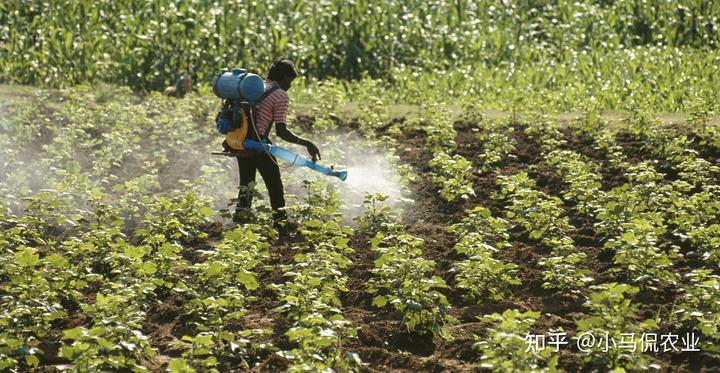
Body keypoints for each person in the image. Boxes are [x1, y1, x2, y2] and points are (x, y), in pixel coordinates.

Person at [224, 59, 320, 232]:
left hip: (241, 143)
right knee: (275, 185)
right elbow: (282, 131)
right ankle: (281, 223)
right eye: (289, 81)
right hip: (259, 145)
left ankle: (239, 221)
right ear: (283, 77)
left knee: (247, 185)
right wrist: (307, 143)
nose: (289, 86)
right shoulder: (280, 95)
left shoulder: (256, 87)